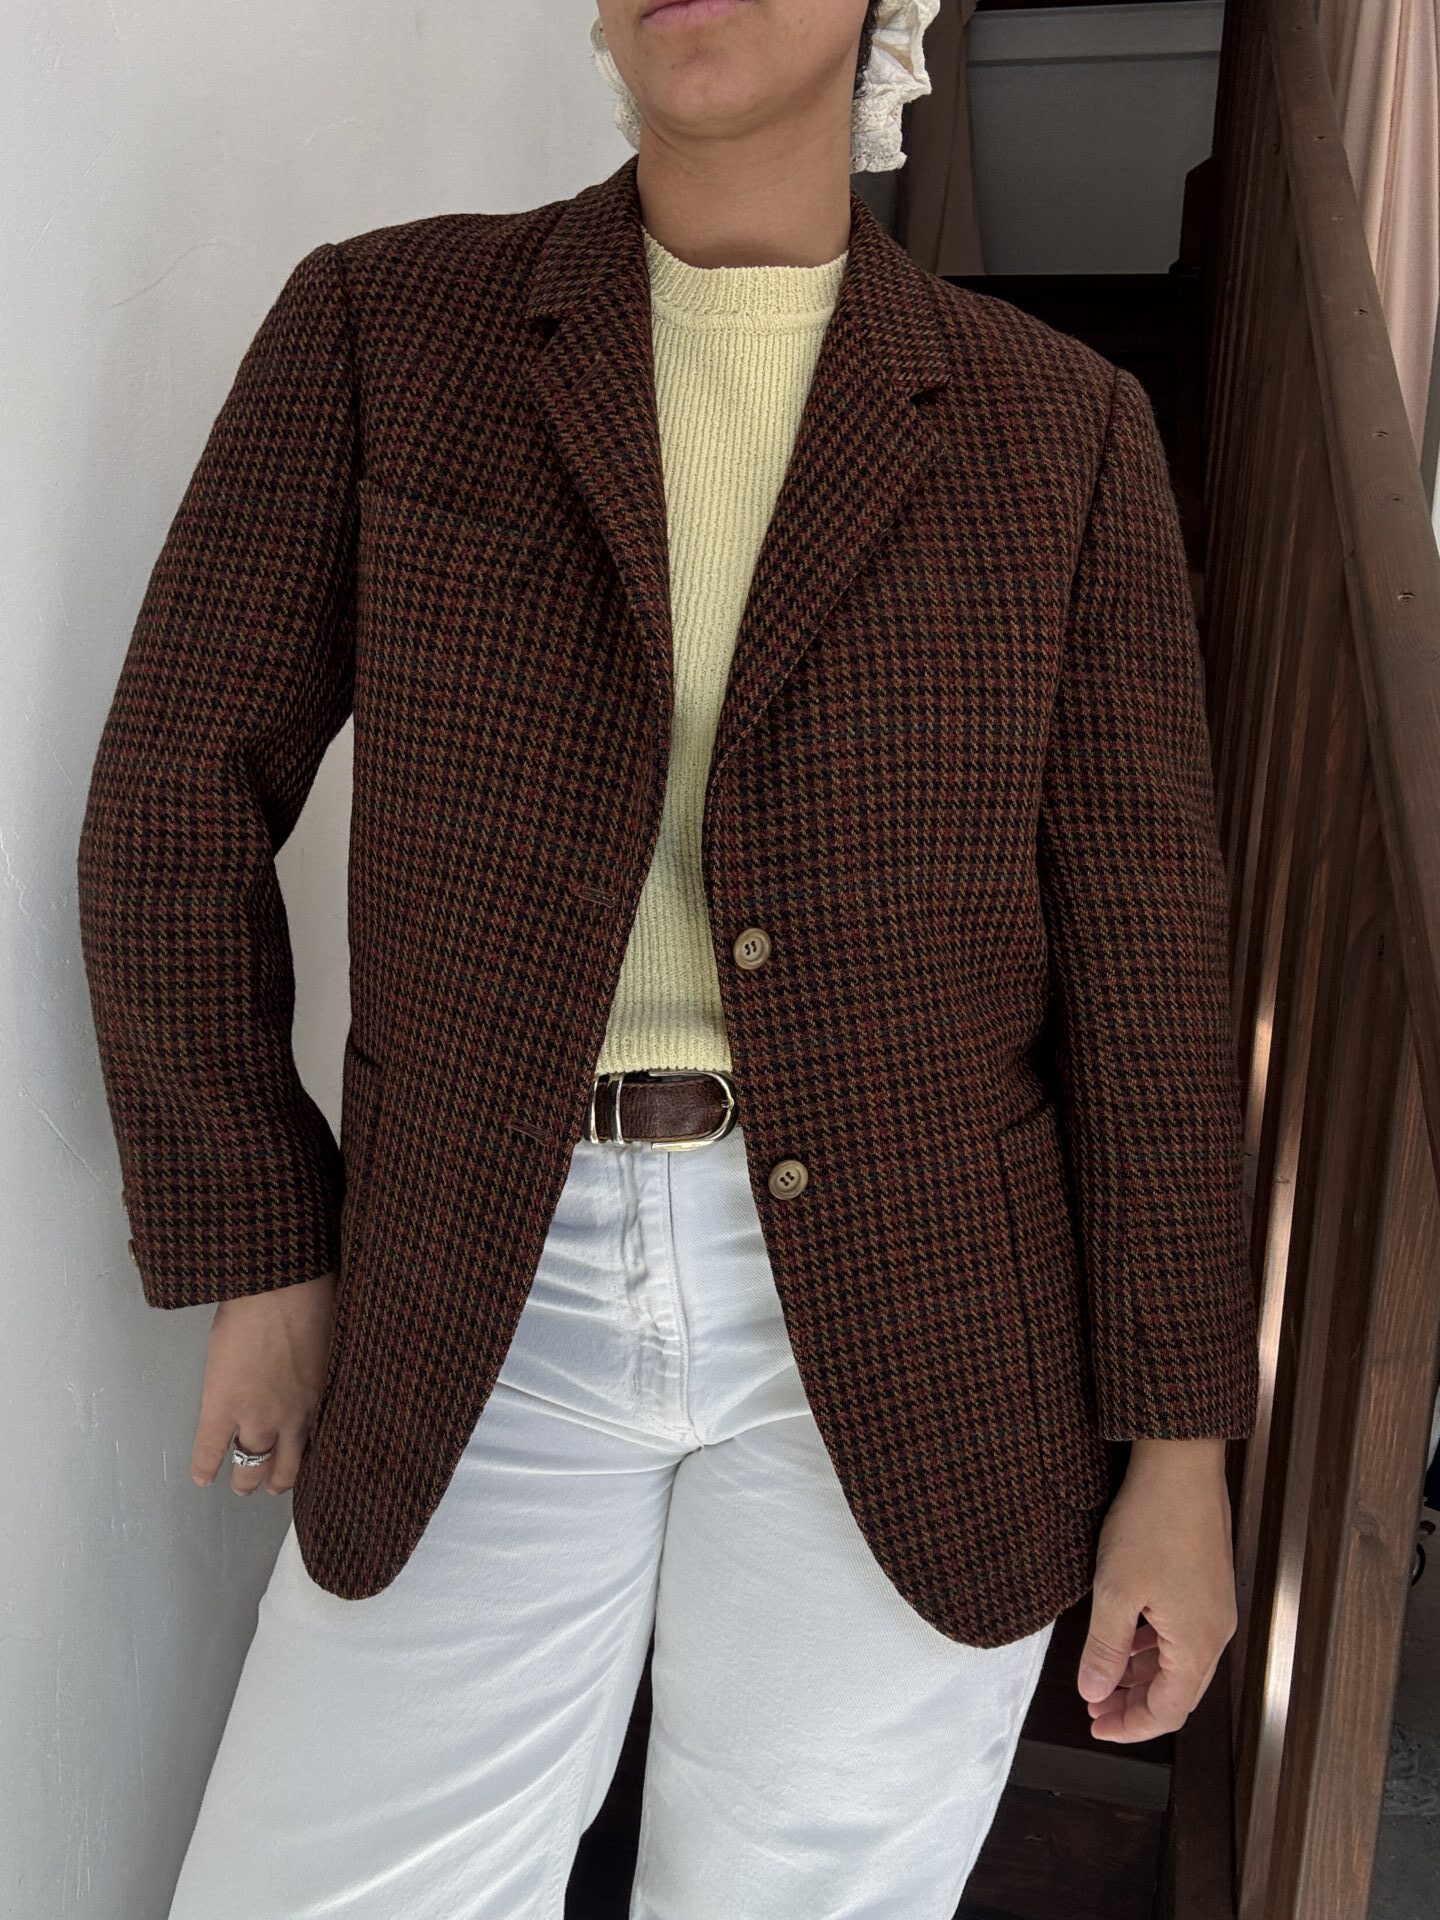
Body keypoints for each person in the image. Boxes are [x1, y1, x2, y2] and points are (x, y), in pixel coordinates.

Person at [75, 2, 1261, 1915]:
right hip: (484, 1274)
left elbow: (1149, 977)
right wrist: (265, 1249)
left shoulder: (1061, 427)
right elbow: (174, 796)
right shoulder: (389, 328)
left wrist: (1180, 1451)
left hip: (927, 1300)